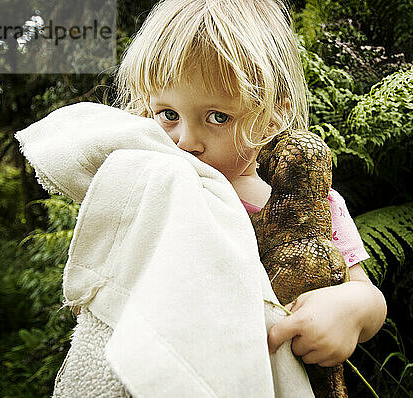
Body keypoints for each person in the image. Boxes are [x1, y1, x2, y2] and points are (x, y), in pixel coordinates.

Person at [112, 0, 387, 371]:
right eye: (169, 115)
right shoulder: (157, 195)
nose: (185, 141)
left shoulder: (312, 207)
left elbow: (368, 297)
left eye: (217, 116)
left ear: (272, 118)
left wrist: (349, 308)